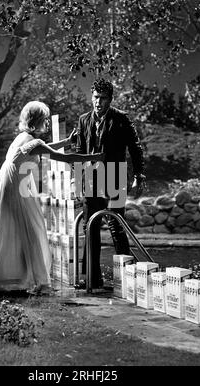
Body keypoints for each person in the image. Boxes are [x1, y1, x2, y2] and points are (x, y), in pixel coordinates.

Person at [0, 101, 103, 294]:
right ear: (36, 122)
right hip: (15, 189)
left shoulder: (23, 138)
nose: (48, 124)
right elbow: (64, 158)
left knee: (9, 231)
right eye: (45, 119)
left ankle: (9, 277)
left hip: (8, 184)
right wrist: (96, 157)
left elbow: (43, 148)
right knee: (31, 231)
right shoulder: (33, 142)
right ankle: (36, 280)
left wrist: (66, 142)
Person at [74, 78, 146, 289]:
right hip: (89, 179)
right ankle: (91, 278)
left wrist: (139, 174)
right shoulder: (83, 119)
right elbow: (78, 153)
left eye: (103, 99)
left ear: (110, 99)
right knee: (90, 227)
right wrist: (77, 182)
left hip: (115, 176)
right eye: (96, 97)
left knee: (117, 225)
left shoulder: (121, 119)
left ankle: (126, 279)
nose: (98, 102)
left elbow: (135, 147)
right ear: (92, 96)